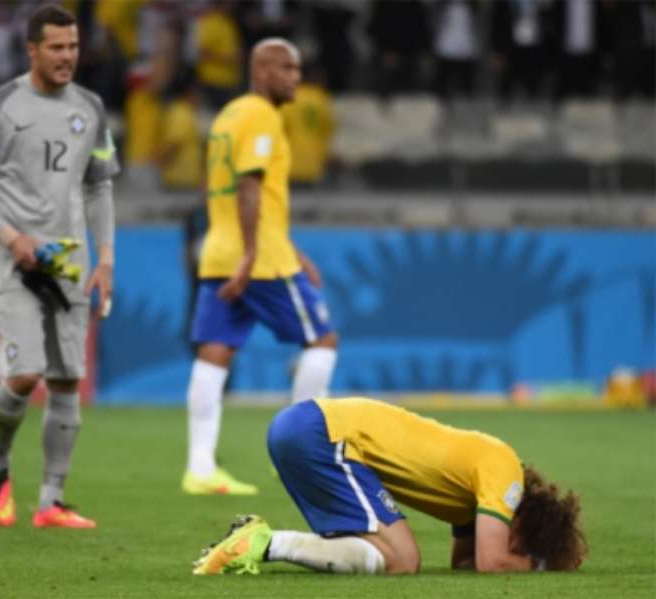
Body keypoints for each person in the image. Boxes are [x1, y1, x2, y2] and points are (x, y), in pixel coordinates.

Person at [0, 5, 119, 528]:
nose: (67, 56)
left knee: (67, 380)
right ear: (31, 50)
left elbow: (99, 186)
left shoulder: (90, 107)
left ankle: (51, 501)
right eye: (56, 47)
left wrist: (107, 257)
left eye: (72, 47)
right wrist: (10, 235)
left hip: (68, 260)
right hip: (12, 259)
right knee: (26, 373)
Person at [182, 38, 338, 496]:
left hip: (220, 252)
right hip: (260, 261)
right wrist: (253, 254)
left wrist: (289, 248)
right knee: (322, 340)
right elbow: (249, 185)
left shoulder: (229, 114)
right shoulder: (262, 116)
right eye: (288, 69)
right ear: (264, 72)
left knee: (214, 353)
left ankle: (200, 468)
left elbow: (238, 190)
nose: (296, 77)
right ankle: (302, 453)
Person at [193, 397, 588, 575]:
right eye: (519, 545)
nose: (508, 548)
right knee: (403, 560)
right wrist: (542, 564)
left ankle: (258, 544)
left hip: (307, 426)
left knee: (381, 554)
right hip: (324, 433)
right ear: (525, 524)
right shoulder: (506, 474)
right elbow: (490, 562)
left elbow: (464, 563)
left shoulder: (476, 499)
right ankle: (263, 543)